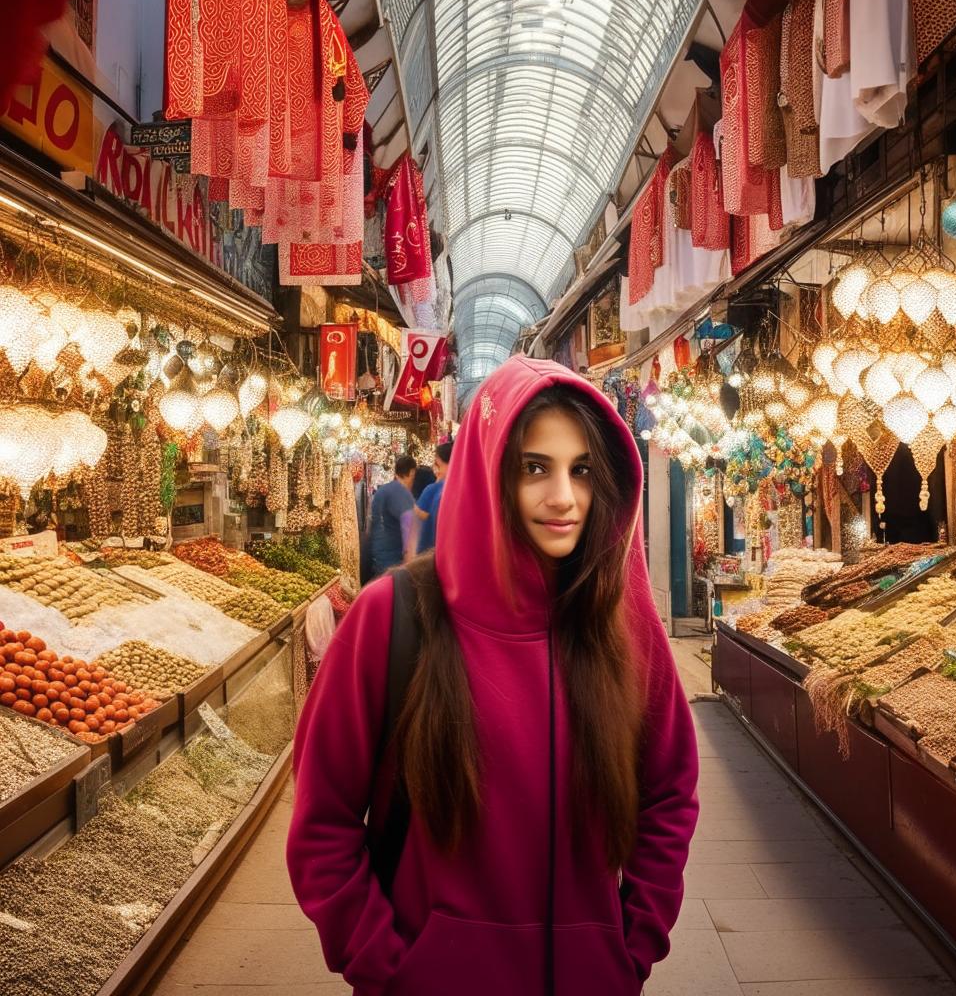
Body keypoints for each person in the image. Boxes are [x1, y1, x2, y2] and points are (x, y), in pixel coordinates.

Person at [287, 356, 699, 996]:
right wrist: (388, 966)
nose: (563, 496)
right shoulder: (391, 620)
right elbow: (323, 820)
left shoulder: (624, 629)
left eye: (582, 470)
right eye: (535, 467)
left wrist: (631, 945)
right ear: (489, 473)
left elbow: (670, 791)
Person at [367, 454, 416, 579]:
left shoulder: (381, 491)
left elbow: (370, 525)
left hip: (378, 559)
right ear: (411, 472)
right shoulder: (402, 493)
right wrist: (410, 565)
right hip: (395, 564)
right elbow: (409, 529)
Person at [413, 441, 452, 554]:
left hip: (428, 558)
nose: (436, 470)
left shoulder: (434, 490)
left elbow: (418, 516)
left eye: (438, 465)